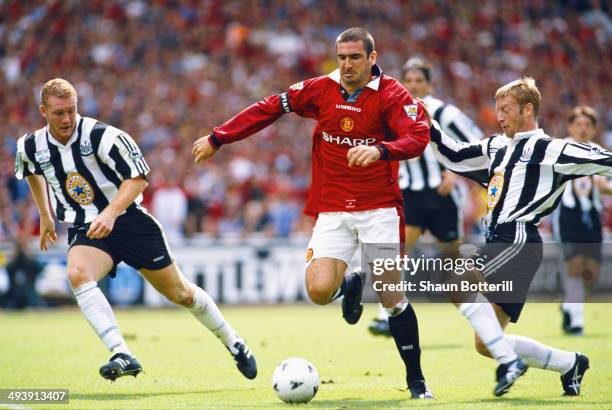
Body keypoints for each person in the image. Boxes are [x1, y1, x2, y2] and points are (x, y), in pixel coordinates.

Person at [193, 27, 434, 399]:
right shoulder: (321, 88)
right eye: (341, 57)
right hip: (333, 209)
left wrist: (381, 150)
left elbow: (417, 137)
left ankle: (417, 382)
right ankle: (352, 283)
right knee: (319, 291)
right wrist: (218, 138)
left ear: (372, 58)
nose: (347, 64)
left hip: (379, 208)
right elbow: (269, 107)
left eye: (355, 57)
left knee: (390, 294)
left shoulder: (393, 95)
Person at [14, 78, 257, 381]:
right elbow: (31, 171)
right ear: (43, 111)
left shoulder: (104, 136)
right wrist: (45, 215)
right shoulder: (30, 145)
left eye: (71, 111)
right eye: (59, 113)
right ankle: (121, 352)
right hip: (84, 227)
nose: (67, 119)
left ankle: (234, 342)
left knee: (181, 293)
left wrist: (111, 213)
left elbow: (139, 178)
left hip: (129, 221)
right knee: (77, 273)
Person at [427, 77, 610, 396]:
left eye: (506, 109)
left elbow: (604, 161)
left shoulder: (554, 149)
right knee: (485, 343)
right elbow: (454, 156)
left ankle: (509, 362)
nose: (499, 117)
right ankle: (570, 362)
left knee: (452, 275)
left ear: (528, 109)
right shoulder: (495, 146)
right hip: (498, 241)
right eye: (497, 110)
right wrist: (427, 126)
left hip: (519, 239)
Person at [368, 57, 483, 337]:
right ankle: (388, 313)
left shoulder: (445, 113)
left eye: (420, 80)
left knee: (453, 257)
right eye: (409, 80)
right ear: (403, 82)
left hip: (441, 195)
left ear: (430, 84)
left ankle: (484, 307)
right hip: (410, 194)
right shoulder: (393, 110)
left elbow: (478, 141)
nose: (414, 85)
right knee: (396, 252)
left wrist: (455, 173)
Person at [553, 106, 612, 335]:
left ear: (595, 129)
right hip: (568, 217)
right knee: (575, 268)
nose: (583, 129)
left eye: (587, 125)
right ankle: (577, 322)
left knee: (592, 273)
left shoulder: (599, 152)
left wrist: (606, 189)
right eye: (578, 124)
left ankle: (569, 304)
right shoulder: (560, 149)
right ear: (570, 127)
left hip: (592, 218)